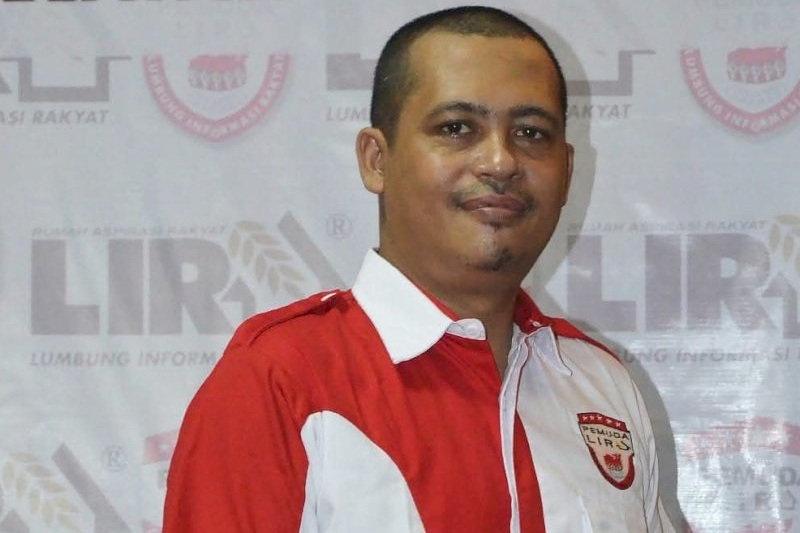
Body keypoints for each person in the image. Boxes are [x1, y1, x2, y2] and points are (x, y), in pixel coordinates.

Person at [163, 6, 677, 532]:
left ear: (566, 172)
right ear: (376, 160)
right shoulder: (281, 379)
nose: (500, 161)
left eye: (530, 132)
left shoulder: (598, 384)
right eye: (457, 128)